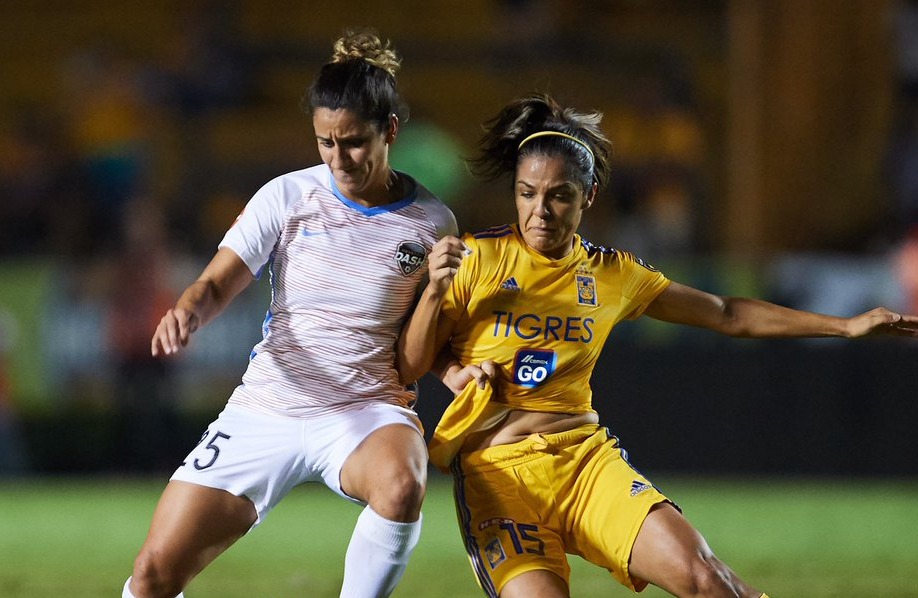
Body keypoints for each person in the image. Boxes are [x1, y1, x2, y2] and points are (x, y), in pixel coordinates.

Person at [396, 93, 918, 598]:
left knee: (709, 582)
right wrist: (436, 293)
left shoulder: (612, 273)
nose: (540, 211)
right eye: (527, 192)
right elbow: (412, 363)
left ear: (589, 194)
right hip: (497, 481)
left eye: (559, 195)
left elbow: (726, 313)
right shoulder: (476, 259)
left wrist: (845, 327)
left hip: (582, 464)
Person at [122, 30, 457, 598]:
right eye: (325, 142)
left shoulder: (432, 223)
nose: (337, 158)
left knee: (401, 483)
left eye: (352, 142)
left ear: (390, 131)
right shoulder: (287, 195)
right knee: (154, 573)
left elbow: (408, 360)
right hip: (270, 404)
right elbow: (214, 282)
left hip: (366, 407)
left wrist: (441, 323)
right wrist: (187, 311)